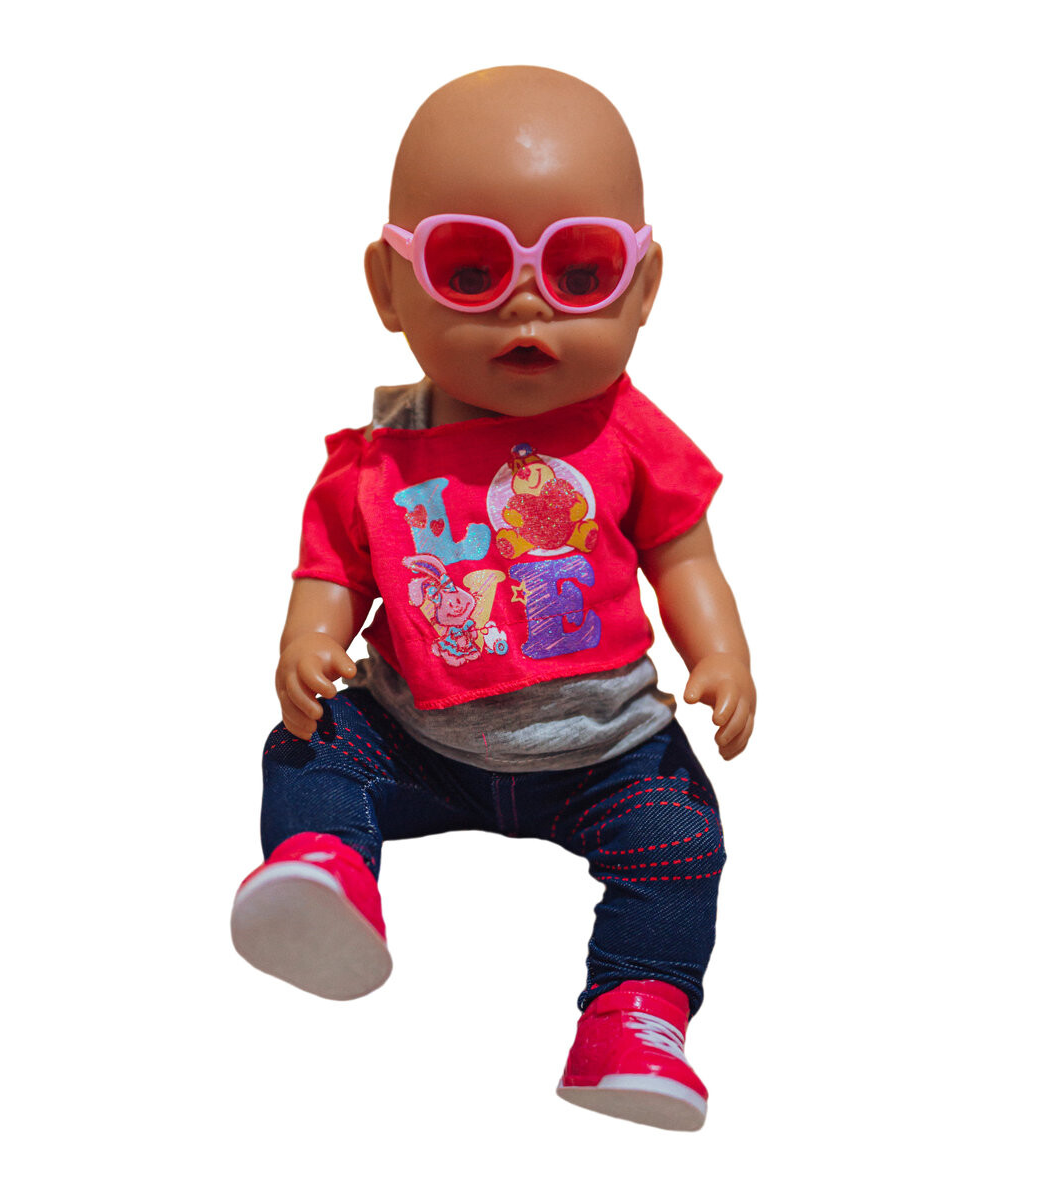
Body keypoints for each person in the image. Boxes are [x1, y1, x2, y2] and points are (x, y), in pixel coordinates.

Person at [231, 66, 756, 1132]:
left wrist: (722, 654)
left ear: (643, 289)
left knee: (681, 840)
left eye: (580, 270)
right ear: (389, 289)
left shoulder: (628, 432)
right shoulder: (379, 454)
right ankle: (325, 868)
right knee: (307, 746)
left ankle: (637, 1012)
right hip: (419, 737)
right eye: (469, 271)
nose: (526, 304)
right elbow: (332, 569)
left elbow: (685, 557)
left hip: (605, 752)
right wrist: (308, 641)